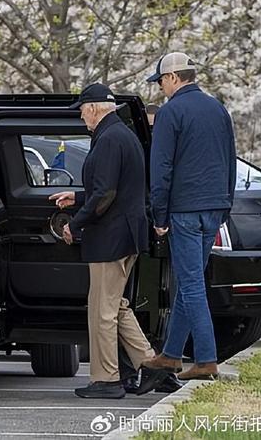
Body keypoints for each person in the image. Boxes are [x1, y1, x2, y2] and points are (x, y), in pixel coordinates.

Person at [50, 83, 165, 398]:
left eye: (82, 111)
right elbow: (115, 189)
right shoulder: (122, 135)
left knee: (101, 310)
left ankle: (107, 380)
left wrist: (76, 223)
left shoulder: (109, 140)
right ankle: (152, 363)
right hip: (124, 234)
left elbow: (106, 195)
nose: (82, 118)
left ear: (92, 108)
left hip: (110, 236)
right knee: (117, 306)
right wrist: (76, 197)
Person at [141, 52, 236, 382]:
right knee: (189, 281)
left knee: (192, 283)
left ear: (172, 78)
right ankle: (170, 354)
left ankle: (207, 359)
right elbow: (230, 159)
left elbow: (162, 168)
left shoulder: (171, 112)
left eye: (161, 83)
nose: (160, 89)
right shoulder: (218, 109)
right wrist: (226, 203)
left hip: (184, 210)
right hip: (214, 208)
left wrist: (159, 215)